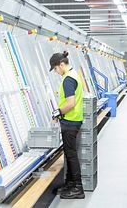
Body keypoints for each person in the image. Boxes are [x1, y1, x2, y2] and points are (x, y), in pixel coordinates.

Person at [49, 51, 85, 199]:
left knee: (71, 155)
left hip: (70, 122)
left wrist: (58, 112)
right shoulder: (73, 74)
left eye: (56, 69)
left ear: (61, 64)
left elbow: (70, 103)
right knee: (70, 154)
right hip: (73, 120)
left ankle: (77, 188)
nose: (56, 72)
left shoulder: (68, 79)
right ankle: (70, 184)